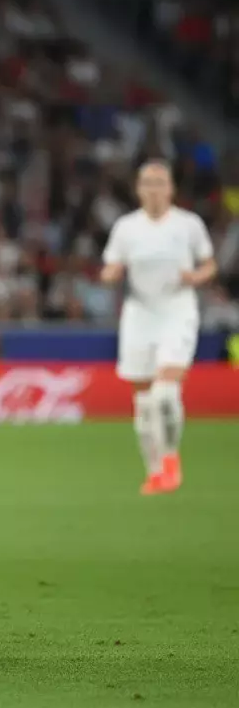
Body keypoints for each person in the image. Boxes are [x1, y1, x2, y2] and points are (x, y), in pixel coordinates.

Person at [100, 160, 216, 495]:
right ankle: (154, 472)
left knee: (165, 391)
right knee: (144, 401)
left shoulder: (188, 225)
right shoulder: (126, 227)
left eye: (159, 182)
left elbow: (209, 264)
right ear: (138, 188)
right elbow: (111, 266)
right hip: (139, 313)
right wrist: (111, 275)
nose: (153, 188)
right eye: (147, 182)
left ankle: (170, 458)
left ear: (171, 188)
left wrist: (196, 276)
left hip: (176, 310)